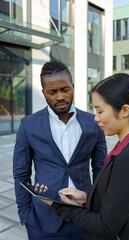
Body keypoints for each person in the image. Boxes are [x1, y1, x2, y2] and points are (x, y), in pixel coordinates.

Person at [38, 73, 129, 240]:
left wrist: (59, 206)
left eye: (100, 111)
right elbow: (121, 200)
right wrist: (86, 198)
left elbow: (106, 226)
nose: (96, 118)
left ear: (124, 110)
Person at [13, 60, 107, 240]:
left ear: (73, 86)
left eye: (65, 89)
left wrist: (98, 207)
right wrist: (25, 216)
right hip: (43, 220)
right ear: (43, 93)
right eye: (52, 92)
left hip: (84, 217)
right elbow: (21, 174)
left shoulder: (93, 122)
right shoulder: (29, 125)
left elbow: (101, 169)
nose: (60, 97)